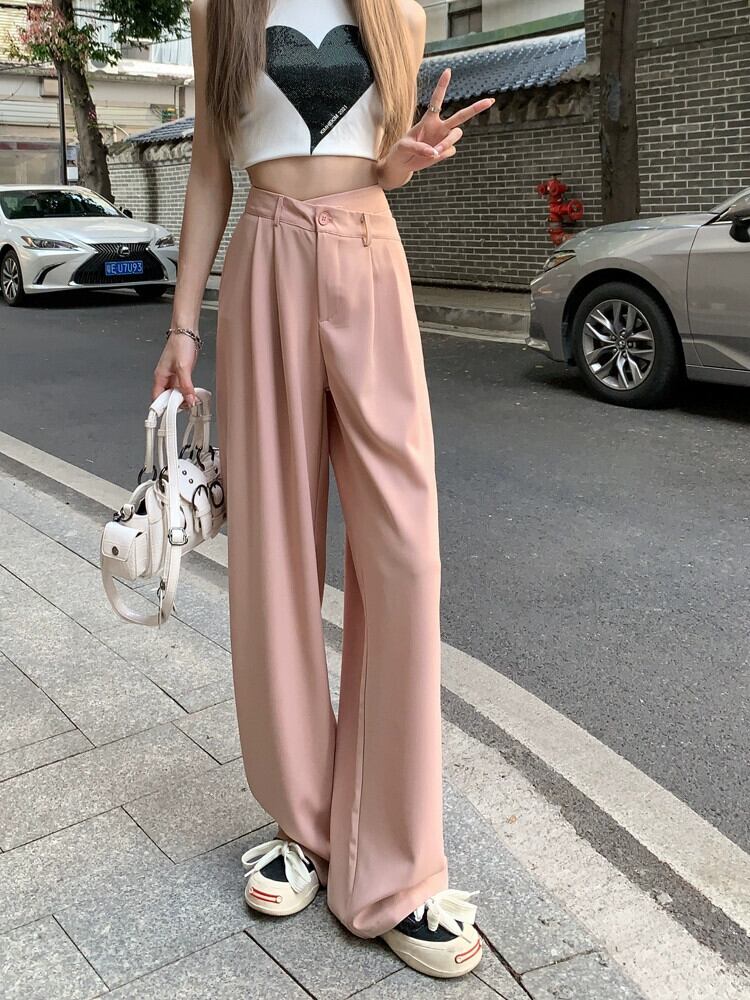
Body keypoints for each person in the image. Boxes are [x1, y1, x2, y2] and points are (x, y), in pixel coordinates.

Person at [152, 0, 493, 980]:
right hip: (263, 259)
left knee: (405, 553)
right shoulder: (220, 10)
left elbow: (378, 160)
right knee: (274, 552)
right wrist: (182, 327)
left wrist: (401, 166)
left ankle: (395, 861)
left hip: (367, 255)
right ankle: (303, 823)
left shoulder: (398, 13)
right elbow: (211, 168)